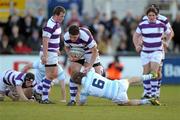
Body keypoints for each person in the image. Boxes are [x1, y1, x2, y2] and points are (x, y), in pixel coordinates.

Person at [133, 7, 172, 101]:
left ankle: (154, 94)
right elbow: (135, 36)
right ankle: (148, 93)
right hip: (145, 52)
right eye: (149, 15)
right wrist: (137, 45)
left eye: (153, 15)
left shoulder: (161, 24)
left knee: (154, 72)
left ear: (156, 16)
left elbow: (170, 33)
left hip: (157, 51)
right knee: (145, 73)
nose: (151, 17)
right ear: (147, 16)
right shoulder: (142, 25)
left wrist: (167, 42)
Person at [71, 69, 160, 106]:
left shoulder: (84, 90)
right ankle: (150, 75)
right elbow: (92, 69)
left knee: (127, 103)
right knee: (130, 80)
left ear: (77, 82)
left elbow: (81, 103)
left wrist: (79, 89)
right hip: (118, 84)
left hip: (116, 96)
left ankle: (147, 101)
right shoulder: (91, 73)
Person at [64, 25, 105, 105]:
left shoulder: (85, 36)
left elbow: (94, 51)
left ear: (79, 34)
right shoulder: (66, 36)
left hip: (90, 52)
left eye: (75, 37)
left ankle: (101, 70)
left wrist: (90, 66)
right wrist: (70, 56)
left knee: (97, 76)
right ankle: (73, 100)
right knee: (74, 73)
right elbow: (66, 48)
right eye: (71, 37)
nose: (72, 39)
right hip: (77, 52)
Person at [40, 6, 66, 104]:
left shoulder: (56, 23)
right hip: (49, 52)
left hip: (52, 51)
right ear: (56, 14)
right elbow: (45, 40)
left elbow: (54, 39)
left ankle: (39, 92)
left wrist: (57, 49)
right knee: (50, 75)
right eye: (61, 16)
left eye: (63, 16)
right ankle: (43, 97)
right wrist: (45, 55)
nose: (62, 18)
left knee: (52, 75)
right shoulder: (50, 25)